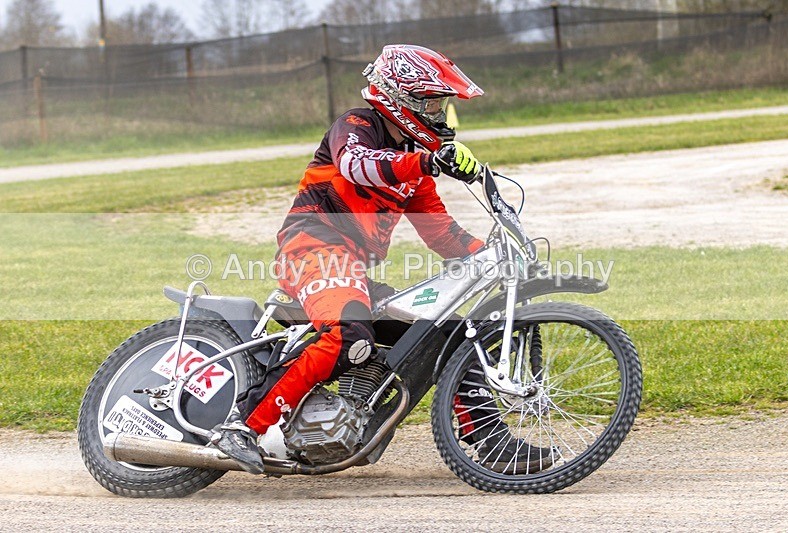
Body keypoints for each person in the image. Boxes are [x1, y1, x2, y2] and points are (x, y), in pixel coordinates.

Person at [212, 44, 555, 475]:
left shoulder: (414, 172)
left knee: (444, 337)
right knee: (345, 333)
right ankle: (240, 426)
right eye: (434, 102)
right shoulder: (356, 126)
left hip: (352, 270)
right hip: (312, 248)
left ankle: (491, 444)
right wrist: (427, 160)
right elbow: (358, 166)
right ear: (402, 97)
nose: (442, 114)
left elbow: (442, 234)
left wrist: (497, 256)